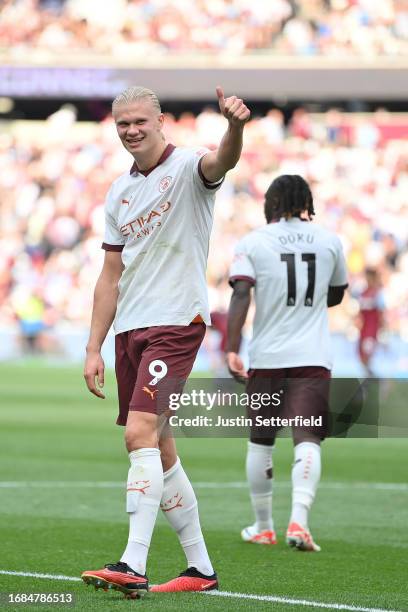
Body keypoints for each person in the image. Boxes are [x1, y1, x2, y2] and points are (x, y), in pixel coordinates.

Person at [81, 85, 250, 598]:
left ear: (160, 121)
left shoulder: (190, 169)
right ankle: (200, 569)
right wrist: (93, 347)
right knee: (160, 445)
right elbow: (110, 274)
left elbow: (224, 159)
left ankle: (133, 562)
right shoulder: (118, 192)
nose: (131, 131)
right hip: (132, 328)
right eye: (122, 124)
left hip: (176, 322)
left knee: (138, 435)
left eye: (139, 122)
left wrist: (236, 125)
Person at [227, 174, 348, 552]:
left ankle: (264, 526)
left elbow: (242, 291)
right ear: (305, 201)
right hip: (313, 356)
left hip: (268, 356)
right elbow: (336, 294)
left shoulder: (254, 241)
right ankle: (300, 521)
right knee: (308, 439)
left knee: (261, 443)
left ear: (272, 203)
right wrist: (306, 305)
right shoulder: (330, 240)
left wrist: (232, 346)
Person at [357, 268, 384, 376]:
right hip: (363, 331)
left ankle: (374, 379)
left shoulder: (378, 294)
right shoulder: (362, 293)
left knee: (367, 356)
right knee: (361, 357)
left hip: (372, 331)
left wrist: (382, 330)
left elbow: (381, 314)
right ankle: (372, 378)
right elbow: (360, 314)